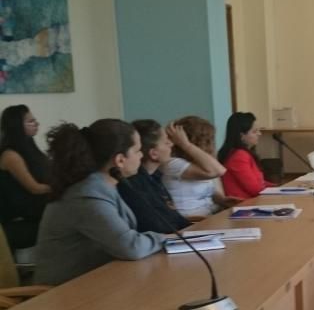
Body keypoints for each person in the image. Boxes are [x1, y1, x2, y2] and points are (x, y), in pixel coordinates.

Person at [34, 119, 166, 286]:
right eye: (137, 150)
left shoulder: (101, 185)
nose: (141, 155)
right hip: (63, 293)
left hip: (97, 282)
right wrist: (163, 239)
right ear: (120, 160)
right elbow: (130, 247)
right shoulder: (86, 196)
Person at [118, 120, 191, 233]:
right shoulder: (134, 184)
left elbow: (174, 217)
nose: (171, 144)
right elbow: (156, 226)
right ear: (154, 154)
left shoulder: (155, 176)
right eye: (166, 142)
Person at [160, 115, 234, 219]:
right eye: (208, 140)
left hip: (209, 217)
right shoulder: (172, 164)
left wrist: (222, 200)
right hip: (191, 222)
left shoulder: (202, 164)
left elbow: (209, 191)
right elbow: (218, 171)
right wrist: (185, 144)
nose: (211, 144)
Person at [0, 105, 51, 250]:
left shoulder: (30, 148)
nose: (37, 123)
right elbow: (35, 188)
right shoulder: (10, 155)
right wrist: (60, 186)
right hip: (21, 218)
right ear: (16, 126)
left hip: (35, 211)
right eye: (30, 121)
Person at [218, 112, 272, 199]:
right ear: (242, 136)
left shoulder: (243, 153)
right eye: (254, 131)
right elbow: (255, 189)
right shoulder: (239, 156)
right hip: (244, 204)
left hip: (253, 201)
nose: (259, 134)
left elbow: (259, 183)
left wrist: (278, 187)